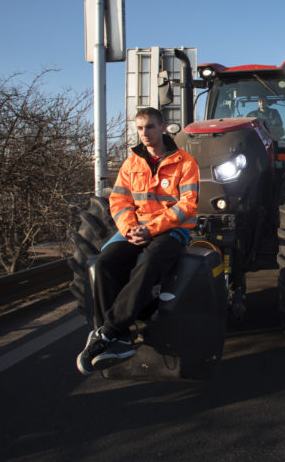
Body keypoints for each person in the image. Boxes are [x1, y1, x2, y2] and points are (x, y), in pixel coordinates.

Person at [77, 107, 199, 375]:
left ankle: (109, 331)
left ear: (163, 127)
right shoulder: (131, 163)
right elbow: (119, 200)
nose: (145, 133)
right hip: (136, 228)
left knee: (152, 260)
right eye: (141, 128)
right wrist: (131, 227)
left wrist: (151, 229)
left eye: (150, 127)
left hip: (172, 229)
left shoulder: (186, 162)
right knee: (105, 263)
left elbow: (187, 206)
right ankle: (122, 337)